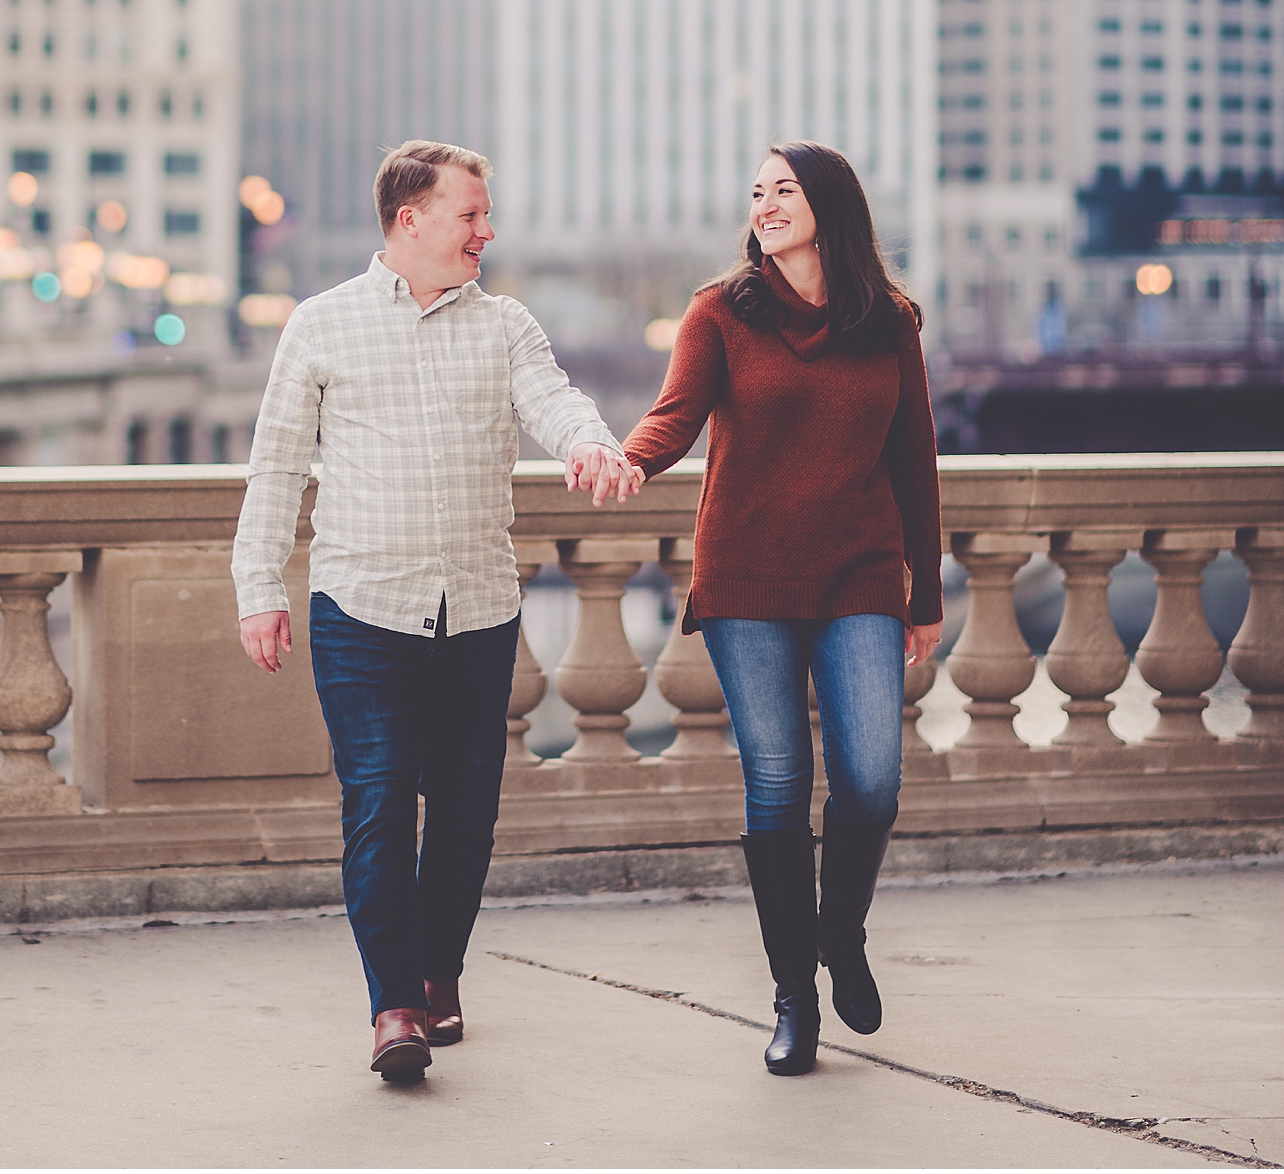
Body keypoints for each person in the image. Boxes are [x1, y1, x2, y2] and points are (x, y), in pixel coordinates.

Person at [233, 139, 642, 1084]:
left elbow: (557, 401)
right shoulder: (320, 325)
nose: (485, 232)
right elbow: (278, 466)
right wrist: (258, 589)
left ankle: (437, 974)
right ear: (409, 219)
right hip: (360, 610)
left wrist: (591, 446)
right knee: (376, 805)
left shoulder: (505, 326)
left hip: (479, 613)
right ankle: (394, 1009)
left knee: (465, 815)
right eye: (470, 215)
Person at [621, 141, 943, 1078]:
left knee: (873, 782)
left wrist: (922, 588)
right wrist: (630, 460)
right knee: (776, 780)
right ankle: (793, 996)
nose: (765, 204)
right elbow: (675, 415)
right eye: (756, 191)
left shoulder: (888, 321)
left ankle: (839, 932)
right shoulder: (722, 310)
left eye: (784, 189)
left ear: (829, 205)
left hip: (860, 573)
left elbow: (912, 460)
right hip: (749, 575)